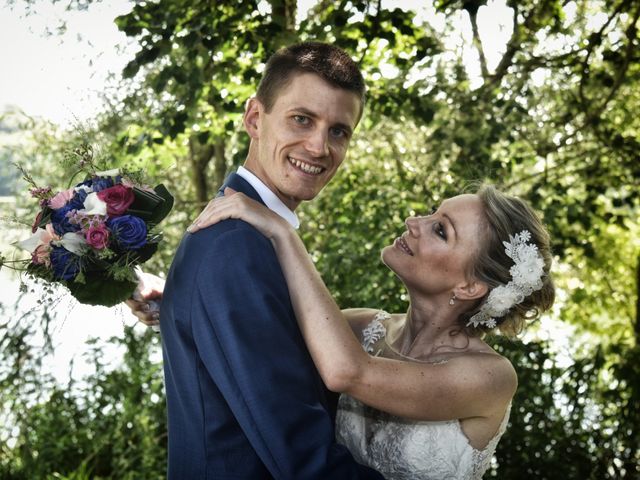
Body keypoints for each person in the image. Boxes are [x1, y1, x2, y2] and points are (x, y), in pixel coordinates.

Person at [128, 43, 385, 479]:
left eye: (339, 131)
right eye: (302, 119)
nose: (320, 146)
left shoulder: (252, 234)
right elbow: (304, 463)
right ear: (254, 119)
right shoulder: (236, 247)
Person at [185, 183, 555, 479]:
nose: (414, 221)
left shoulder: (490, 377)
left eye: (440, 230)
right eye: (431, 213)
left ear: (469, 287)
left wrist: (282, 234)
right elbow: (257, 331)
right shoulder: (365, 327)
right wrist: (175, 295)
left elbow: (347, 372)